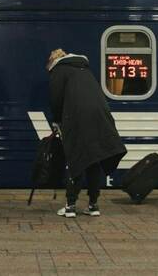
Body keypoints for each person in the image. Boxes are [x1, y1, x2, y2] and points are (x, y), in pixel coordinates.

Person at [47, 48, 127, 218]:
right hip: (100, 117)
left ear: (52, 60)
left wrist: (56, 121)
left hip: (77, 118)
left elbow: (56, 100)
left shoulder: (59, 70)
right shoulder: (84, 69)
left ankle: (70, 206)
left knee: (76, 159)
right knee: (93, 160)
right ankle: (93, 205)